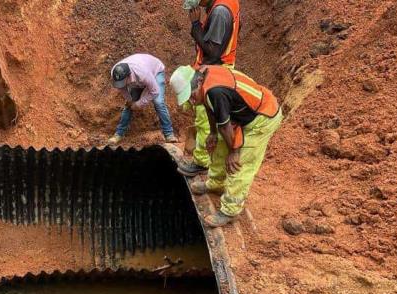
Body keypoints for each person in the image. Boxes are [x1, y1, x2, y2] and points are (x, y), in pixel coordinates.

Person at [169, 64, 283, 226]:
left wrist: (234, 151)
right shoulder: (203, 79)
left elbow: (225, 125)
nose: (192, 100)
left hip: (262, 118)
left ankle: (230, 210)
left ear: (198, 82)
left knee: (239, 164)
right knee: (219, 146)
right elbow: (208, 107)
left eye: (191, 95)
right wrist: (213, 133)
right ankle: (216, 183)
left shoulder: (216, 91)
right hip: (242, 114)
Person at [179, 0, 241, 177]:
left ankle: (202, 162)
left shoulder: (220, 12)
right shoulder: (224, 4)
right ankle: (203, 156)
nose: (198, 6)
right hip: (218, 68)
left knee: (204, 118)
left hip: (215, 69)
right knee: (200, 113)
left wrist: (196, 25)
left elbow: (213, 53)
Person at [107, 54, 177, 146]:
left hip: (155, 72)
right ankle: (118, 134)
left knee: (158, 102)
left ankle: (169, 134)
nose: (121, 83)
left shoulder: (142, 73)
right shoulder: (115, 74)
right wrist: (130, 100)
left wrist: (138, 104)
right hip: (138, 80)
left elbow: (154, 91)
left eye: (123, 81)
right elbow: (122, 88)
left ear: (129, 76)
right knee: (128, 106)